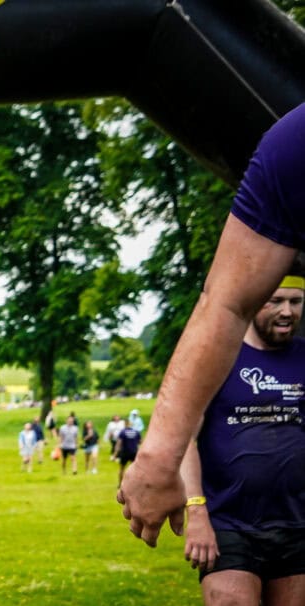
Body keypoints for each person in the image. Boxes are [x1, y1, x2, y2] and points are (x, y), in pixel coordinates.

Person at [120, 103, 305, 541]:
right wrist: (160, 458)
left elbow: (224, 303)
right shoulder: (294, 144)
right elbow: (226, 303)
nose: (285, 311)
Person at [161, 274, 305, 606]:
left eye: (296, 301)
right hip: (229, 524)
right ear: (253, 302)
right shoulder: (219, 356)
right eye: (276, 301)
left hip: (297, 526)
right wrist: (196, 510)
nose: (287, 311)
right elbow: (186, 436)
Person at [115, 416, 142, 487]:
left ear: (125, 424)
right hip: (134, 452)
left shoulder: (122, 432)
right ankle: (135, 484)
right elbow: (140, 442)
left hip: (125, 452)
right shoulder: (136, 432)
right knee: (135, 469)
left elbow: (118, 444)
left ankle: (120, 484)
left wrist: (115, 454)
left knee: (122, 468)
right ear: (131, 424)